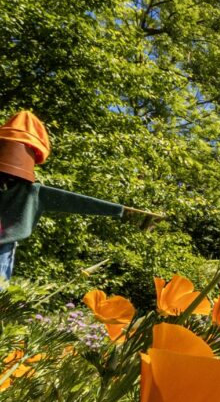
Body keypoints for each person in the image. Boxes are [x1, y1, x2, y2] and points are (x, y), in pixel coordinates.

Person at [0, 111, 157, 284]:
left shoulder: (32, 193)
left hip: (5, 245)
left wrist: (120, 210)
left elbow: (77, 201)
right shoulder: (32, 192)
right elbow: (76, 201)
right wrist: (122, 210)